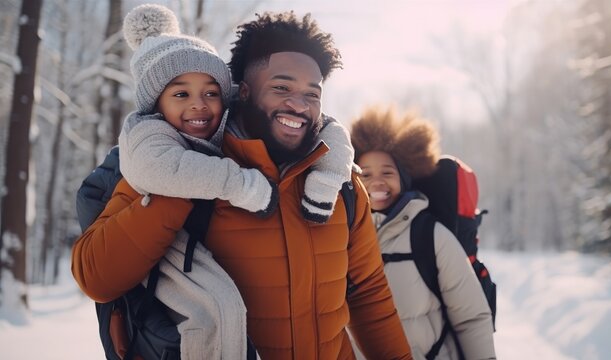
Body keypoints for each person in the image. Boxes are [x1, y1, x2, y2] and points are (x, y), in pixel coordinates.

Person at [72, 9, 412, 360]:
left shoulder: (340, 183)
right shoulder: (183, 168)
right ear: (243, 92)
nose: (298, 105)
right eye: (281, 88)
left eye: (312, 94)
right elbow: (97, 278)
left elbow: (368, 293)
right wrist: (183, 188)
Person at [350, 106, 497, 359]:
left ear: (404, 178)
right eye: (365, 174)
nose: (376, 182)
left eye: (387, 172)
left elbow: (471, 318)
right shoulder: (340, 239)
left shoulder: (430, 236)